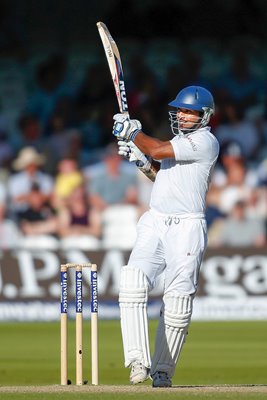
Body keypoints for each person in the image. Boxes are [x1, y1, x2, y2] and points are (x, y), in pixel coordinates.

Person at [112, 86, 219, 387]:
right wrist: (142, 162)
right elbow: (163, 175)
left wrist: (132, 134)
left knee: (177, 300)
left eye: (189, 111)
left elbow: (157, 149)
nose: (182, 115)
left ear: (204, 115)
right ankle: (137, 361)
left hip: (186, 228)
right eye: (180, 110)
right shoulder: (178, 141)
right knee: (132, 280)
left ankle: (162, 370)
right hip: (155, 220)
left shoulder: (206, 142)